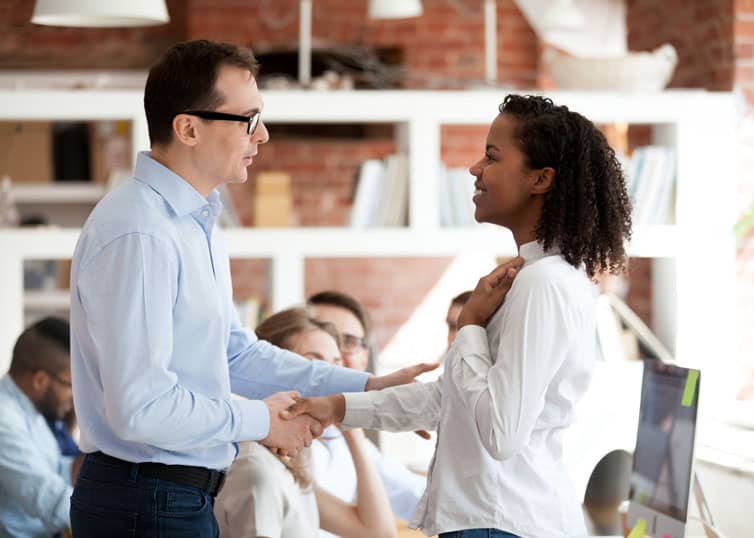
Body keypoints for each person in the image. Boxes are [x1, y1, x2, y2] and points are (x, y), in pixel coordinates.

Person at [68, 39, 432, 537]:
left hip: (173, 494)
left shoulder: (195, 223)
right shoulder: (140, 231)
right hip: (147, 499)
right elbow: (141, 407)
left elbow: (234, 357)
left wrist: (365, 386)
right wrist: (261, 421)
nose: (261, 136)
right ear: (188, 128)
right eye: (249, 119)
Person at [286, 94, 633, 538]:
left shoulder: (544, 284)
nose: (474, 169)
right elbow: (452, 401)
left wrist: (468, 325)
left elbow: (500, 432)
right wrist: (335, 406)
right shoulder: (531, 277)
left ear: (541, 179)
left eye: (492, 156)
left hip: (502, 522)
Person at [215, 308, 397, 538]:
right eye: (315, 367)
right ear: (271, 374)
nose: (333, 383)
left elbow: (377, 533)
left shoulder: (293, 463)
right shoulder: (255, 468)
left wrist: (351, 422)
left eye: (336, 366)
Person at [307, 291, 427, 526]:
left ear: (365, 357)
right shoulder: (280, 440)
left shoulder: (345, 438)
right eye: (324, 340)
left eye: (348, 342)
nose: (336, 357)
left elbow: (419, 499)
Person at [0, 317, 83, 537]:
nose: (73, 397)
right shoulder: (4, 417)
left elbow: (54, 471)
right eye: (70, 385)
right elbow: (45, 496)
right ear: (40, 380)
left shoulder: (29, 409)